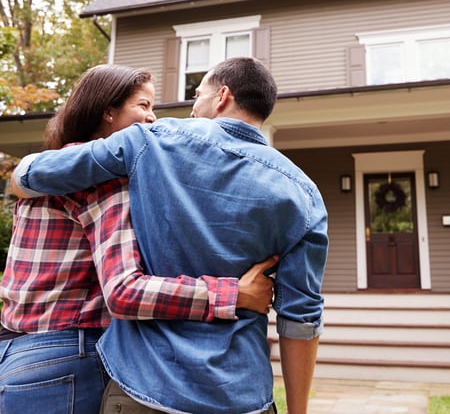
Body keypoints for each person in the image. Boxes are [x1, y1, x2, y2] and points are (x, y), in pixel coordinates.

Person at [12, 57, 328, 414]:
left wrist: (20, 176)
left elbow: (32, 174)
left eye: (197, 95)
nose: (190, 110)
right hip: (240, 392)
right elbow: (301, 318)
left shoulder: (150, 142)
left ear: (221, 96)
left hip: (145, 386)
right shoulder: (305, 193)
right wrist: (297, 410)